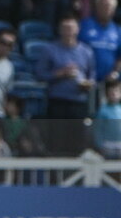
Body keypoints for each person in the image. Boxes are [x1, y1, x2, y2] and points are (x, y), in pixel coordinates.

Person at [36, 14, 96, 153]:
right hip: (57, 102)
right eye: (65, 28)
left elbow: (91, 75)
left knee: (77, 143)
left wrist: (87, 84)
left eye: (71, 28)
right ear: (60, 30)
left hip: (78, 102)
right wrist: (60, 73)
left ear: (77, 29)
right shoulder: (50, 49)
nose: (68, 31)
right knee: (56, 142)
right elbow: (40, 74)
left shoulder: (86, 51)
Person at [79, 0, 121, 81]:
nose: (106, 9)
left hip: (108, 82)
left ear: (114, 10)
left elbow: (119, 57)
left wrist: (115, 72)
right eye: (103, 6)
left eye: (109, 7)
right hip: (85, 79)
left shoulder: (118, 31)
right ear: (96, 7)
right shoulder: (83, 26)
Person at [93, 78, 121, 158]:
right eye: (111, 92)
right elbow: (98, 130)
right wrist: (100, 145)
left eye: (116, 91)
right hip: (107, 146)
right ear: (107, 94)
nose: (114, 94)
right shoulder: (102, 111)